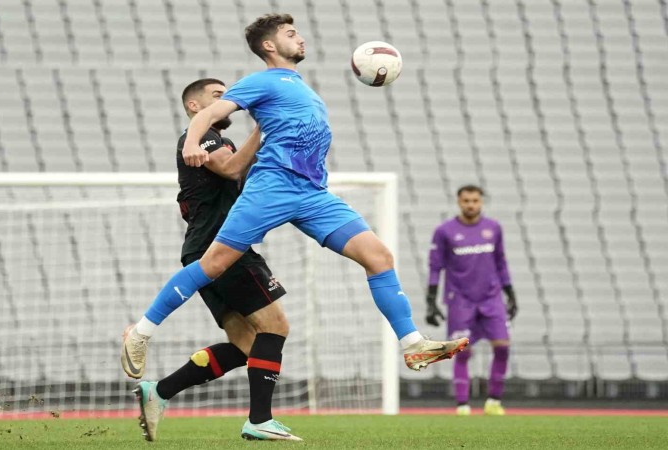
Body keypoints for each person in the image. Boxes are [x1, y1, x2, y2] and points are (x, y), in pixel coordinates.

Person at [123, 11, 468, 425]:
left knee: (378, 256)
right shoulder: (261, 80)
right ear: (270, 45)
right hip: (273, 187)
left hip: (313, 193)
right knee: (213, 266)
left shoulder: (299, 86)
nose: (300, 38)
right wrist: (193, 143)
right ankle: (141, 332)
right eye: (290, 33)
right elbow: (206, 115)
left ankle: (413, 343)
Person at [131, 78, 302, 441]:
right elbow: (231, 169)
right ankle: (259, 421)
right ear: (196, 107)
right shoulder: (207, 137)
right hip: (223, 248)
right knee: (275, 327)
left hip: (200, 249)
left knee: (245, 345)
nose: (228, 102)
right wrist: (262, 126)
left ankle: (159, 391)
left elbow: (241, 175)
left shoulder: (215, 142)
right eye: (218, 96)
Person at [426, 185, 518, 416]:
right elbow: (435, 267)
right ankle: (462, 405)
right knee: (463, 352)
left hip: (491, 297)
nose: (470, 205)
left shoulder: (493, 228)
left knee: (503, 348)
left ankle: (494, 401)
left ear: (481, 202)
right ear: (459, 201)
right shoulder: (445, 231)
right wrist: (431, 300)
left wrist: (511, 294)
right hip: (460, 299)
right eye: (466, 200)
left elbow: (501, 263)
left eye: (475, 200)